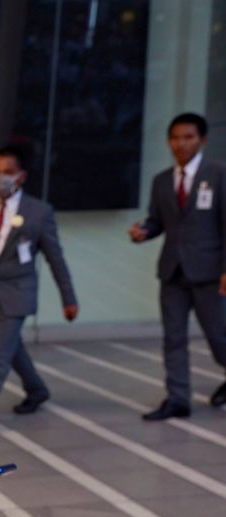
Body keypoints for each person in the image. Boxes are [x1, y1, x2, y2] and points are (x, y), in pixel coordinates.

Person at [0, 145, 78, 442]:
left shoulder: (38, 212)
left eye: (7, 172)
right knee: (11, 348)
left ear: (21, 176)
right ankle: (37, 389)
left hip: (18, 295)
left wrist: (68, 298)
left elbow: (56, 258)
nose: (0, 178)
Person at [128, 112, 226, 419]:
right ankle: (178, 399)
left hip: (210, 271)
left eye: (188, 137)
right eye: (175, 138)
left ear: (202, 140)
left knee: (219, 335)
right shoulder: (161, 180)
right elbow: (158, 221)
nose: (181, 144)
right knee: (174, 337)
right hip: (172, 271)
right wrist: (144, 231)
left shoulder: (219, 174)